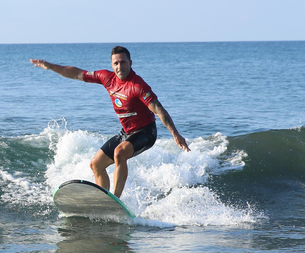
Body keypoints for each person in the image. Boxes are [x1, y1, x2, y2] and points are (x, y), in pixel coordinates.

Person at [31, 46, 189, 197]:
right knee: (96, 165)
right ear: (112, 65)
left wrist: (175, 134)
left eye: (123, 62)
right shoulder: (107, 78)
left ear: (130, 63)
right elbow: (77, 73)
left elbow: (159, 109)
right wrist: (50, 66)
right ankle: (104, 199)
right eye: (116, 63)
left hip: (146, 132)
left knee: (119, 153)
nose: (120, 66)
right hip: (126, 133)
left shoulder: (137, 86)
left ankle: (115, 199)